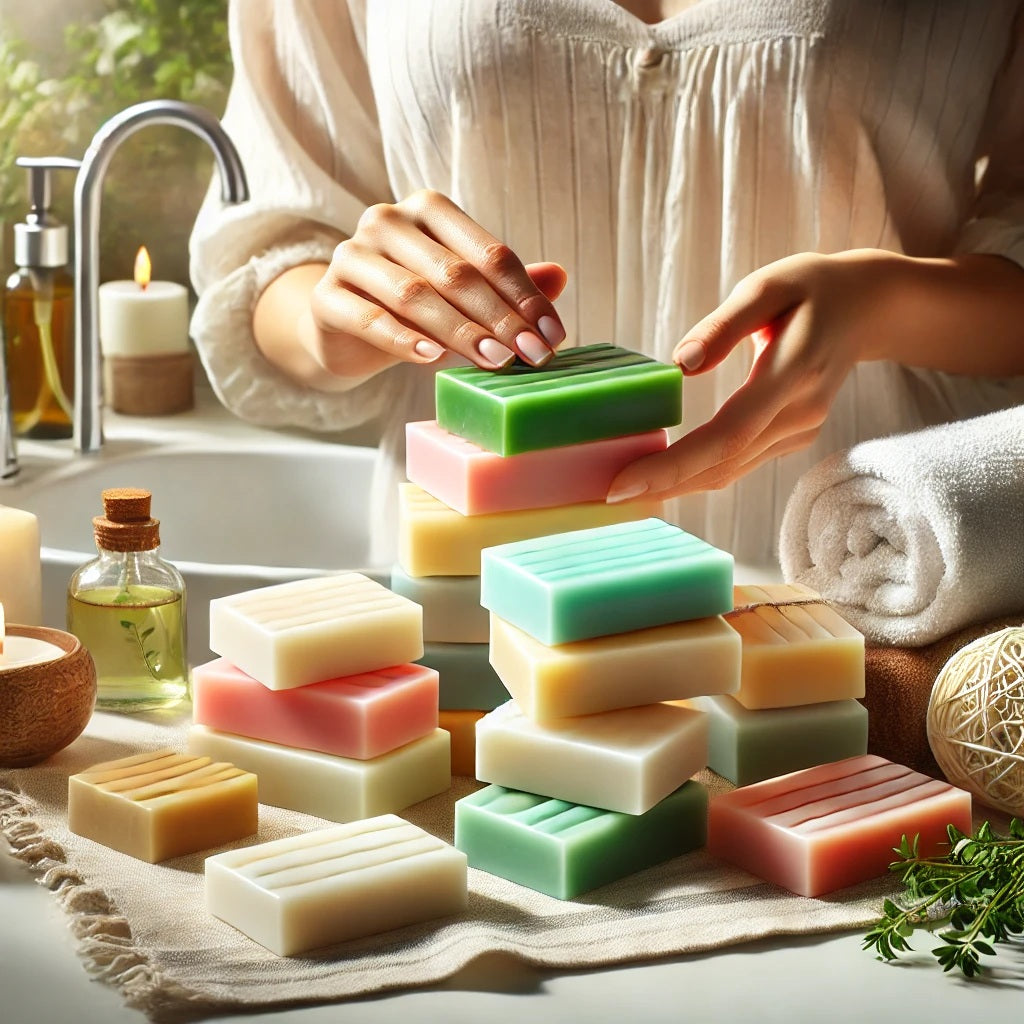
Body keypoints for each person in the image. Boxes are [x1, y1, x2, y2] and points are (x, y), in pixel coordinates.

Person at [190, 0, 1024, 570]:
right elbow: (273, 253)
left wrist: (883, 304)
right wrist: (335, 322)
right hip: (469, 602)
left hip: (862, 588)